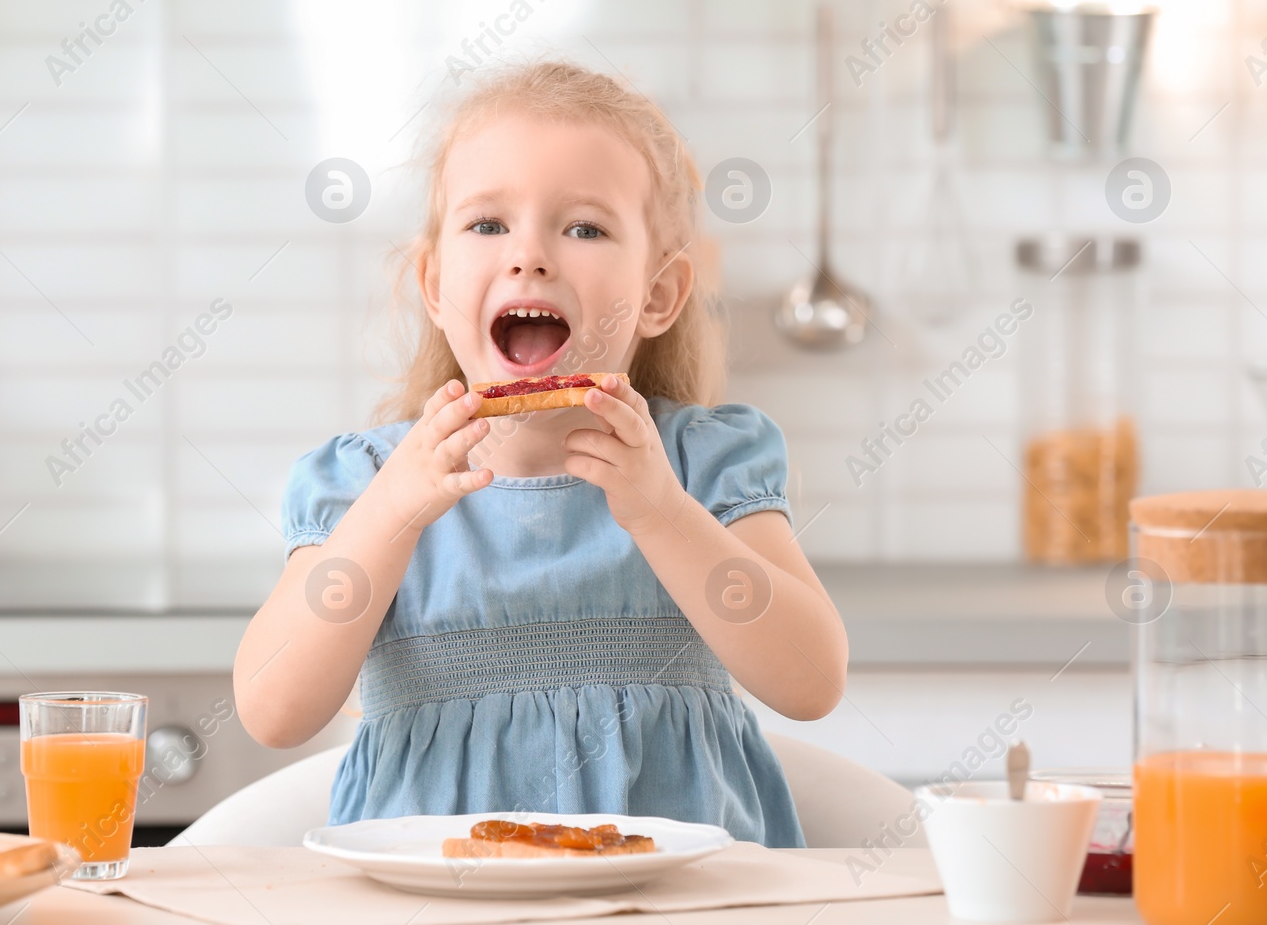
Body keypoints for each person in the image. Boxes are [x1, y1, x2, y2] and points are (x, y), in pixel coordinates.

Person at [233, 60, 847, 847]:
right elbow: (272, 708)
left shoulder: (703, 464)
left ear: (658, 294)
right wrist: (390, 513)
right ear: (434, 283)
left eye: (584, 228)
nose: (531, 255)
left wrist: (661, 513)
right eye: (488, 225)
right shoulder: (362, 485)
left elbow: (811, 680)